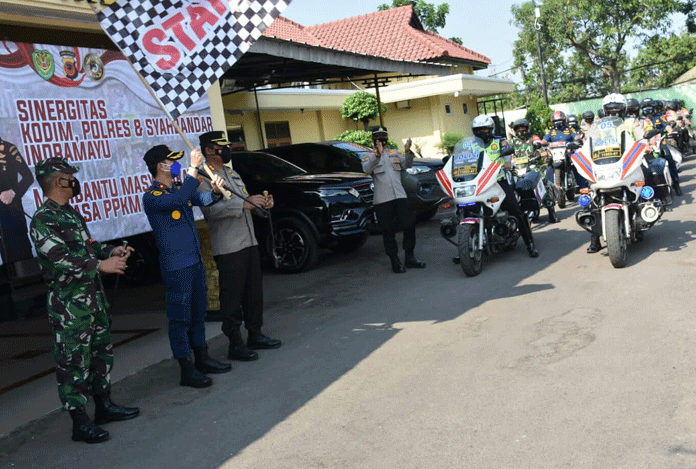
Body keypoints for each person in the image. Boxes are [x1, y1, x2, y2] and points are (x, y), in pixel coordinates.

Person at [29, 157, 139, 444]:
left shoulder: (71, 214)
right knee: (73, 362)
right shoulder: (43, 220)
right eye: (70, 176)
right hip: (69, 307)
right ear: (57, 181)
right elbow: (60, 258)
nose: (75, 181)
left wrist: (112, 251)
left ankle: (104, 406)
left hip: (93, 299)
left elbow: (88, 246)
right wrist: (99, 266)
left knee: (101, 354)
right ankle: (80, 422)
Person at [142, 145, 231, 388]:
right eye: (172, 161)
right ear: (161, 166)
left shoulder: (180, 187)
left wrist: (214, 193)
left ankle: (202, 358)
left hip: (194, 261)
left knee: (197, 312)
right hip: (176, 266)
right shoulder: (153, 197)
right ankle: (186, 368)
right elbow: (180, 200)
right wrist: (193, 168)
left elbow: (199, 199)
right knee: (180, 318)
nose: (176, 165)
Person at [196, 131, 281, 362]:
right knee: (232, 297)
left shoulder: (231, 173)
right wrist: (243, 205)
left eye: (227, 146)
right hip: (229, 246)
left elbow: (247, 204)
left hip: (248, 241)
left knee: (254, 292)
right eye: (221, 147)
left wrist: (264, 205)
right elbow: (210, 211)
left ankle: (255, 334)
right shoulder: (204, 178)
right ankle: (235, 342)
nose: (226, 150)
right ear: (208, 150)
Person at [472, 115, 539, 258]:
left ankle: (530, 244)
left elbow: (508, 159)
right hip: (477, 183)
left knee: (516, 210)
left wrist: (505, 161)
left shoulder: (500, 141)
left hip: (498, 182)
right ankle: (466, 247)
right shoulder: (471, 145)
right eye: (478, 130)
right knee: (468, 209)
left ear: (491, 129)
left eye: (484, 129)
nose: (481, 132)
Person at [361, 127, 426, 273]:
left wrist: (408, 151)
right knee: (388, 231)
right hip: (383, 200)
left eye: (384, 137)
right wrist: (377, 154)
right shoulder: (368, 156)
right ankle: (394, 260)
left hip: (400, 196)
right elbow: (366, 169)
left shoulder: (394, 153)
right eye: (378, 137)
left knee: (409, 225)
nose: (381, 140)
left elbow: (407, 164)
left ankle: (410, 257)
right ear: (373, 139)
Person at [510, 118, 559, 223]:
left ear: (527, 129)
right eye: (519, 130)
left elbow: (542, 149)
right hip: (517, 169)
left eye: (523, 129)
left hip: (533, 166)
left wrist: (540, 154)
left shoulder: (533, 139)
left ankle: (551, 211)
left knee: (542, 181)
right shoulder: (512, 142)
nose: (521, 132)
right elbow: (507, 153)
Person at [0, 136, 34, 265]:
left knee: (21, 260)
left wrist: (13, 192)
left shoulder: (9, 149)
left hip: (11, 213)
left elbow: (28, 177)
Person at [540, 110, 584, 189]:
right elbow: (544, 140)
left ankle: (583, 187)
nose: (558, 123)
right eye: (555, 121)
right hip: (555, 154)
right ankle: (549, 189)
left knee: (576, 164)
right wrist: (539, 143)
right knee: (549, 166)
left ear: (564, 120)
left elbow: (576, 136)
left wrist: (578, 140)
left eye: (559, 121)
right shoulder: (550, 131)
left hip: (568, 152)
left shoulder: (570, 129)